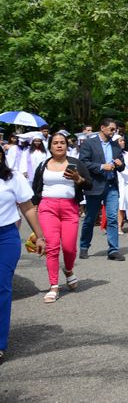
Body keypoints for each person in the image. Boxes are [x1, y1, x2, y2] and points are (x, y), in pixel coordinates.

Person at [31, 133, 92, 302]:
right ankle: (54, 286)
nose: (59, 145)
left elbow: (89, 184)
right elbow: (36, 188)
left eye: (62, 143)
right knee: (52, 247)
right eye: (55, 143)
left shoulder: (76, 163)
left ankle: (69, 270)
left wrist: (78, 178)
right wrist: (34, 207)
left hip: (69, 208)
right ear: (50, 147)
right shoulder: (43, 165)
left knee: (69, 248)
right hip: (47, 208)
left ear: (67, 145)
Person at [0, 144, 46, 363]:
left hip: (6, 238)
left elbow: (27, 207)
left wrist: (40, 236)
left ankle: (0, 344)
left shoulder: (12, 178)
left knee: (2, 287)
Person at [79, 118, 126, 261]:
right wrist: (101, 166)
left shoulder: (115, 145)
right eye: (111, 129)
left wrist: (120, 164)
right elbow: (83, 163)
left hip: (111, 186)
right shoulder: (89, 143)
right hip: (95, 185)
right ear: (102, 128)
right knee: (90, 218)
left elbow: (122, 166)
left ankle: (113, 250)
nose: (113, 132)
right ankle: (84, 246)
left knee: (112, 218)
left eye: (115, 130)